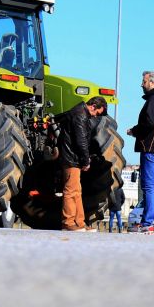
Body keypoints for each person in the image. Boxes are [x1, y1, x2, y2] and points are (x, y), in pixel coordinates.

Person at [126, 71, 154, 235]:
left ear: (152, 83)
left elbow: (150, 122)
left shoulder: (153, 100)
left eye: (144, 81)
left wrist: (135, 131)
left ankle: (147, 223)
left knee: (149, 186)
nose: (141, 84)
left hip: (151, 148)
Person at [56, 95, 109, 232]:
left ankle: (79, 222)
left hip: (74, 158)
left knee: (77, 191)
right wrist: (86, 161)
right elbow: (81, 141)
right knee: (70, 191)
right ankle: (68, 222)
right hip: (71, 158)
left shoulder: (80, 114)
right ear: (93, 106)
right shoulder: (80, 116)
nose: (95, 117)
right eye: (96, 113)